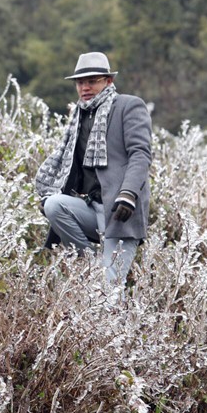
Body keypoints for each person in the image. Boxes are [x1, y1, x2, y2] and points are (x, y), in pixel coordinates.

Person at [34, 52, 153, 284]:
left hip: (121, 211)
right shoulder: (79, 115)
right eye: (80, 82)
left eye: (92, 81)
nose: (84, 87)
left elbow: (140, 154)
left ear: (109, 81)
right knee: (54, 204)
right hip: (91, 206)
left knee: (109, 293)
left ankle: (105, 280)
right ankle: (90, 263)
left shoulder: (128, 106)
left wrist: (128, 193)